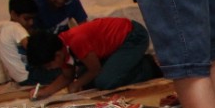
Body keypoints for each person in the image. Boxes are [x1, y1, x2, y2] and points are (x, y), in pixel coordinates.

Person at [24, 17, 158, 97]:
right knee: (87, 82)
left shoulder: (76, 41)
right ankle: (129, 62)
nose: (49, 69)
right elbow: (67, 76)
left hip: (133, 36)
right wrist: (45, 92)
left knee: (104, 82)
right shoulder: (60, 48)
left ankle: (148, 66)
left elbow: (95, 70)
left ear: (57, 55)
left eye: (48, 65)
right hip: (113, 48)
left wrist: (77, 84)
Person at [0, 0, 37, 85]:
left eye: (33, 18)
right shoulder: (16, 28)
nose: (31, 22)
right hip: (29, 76)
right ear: (13, 14)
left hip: (20, 79)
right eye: (27, 18)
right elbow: (34, 50)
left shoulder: (6, 28)